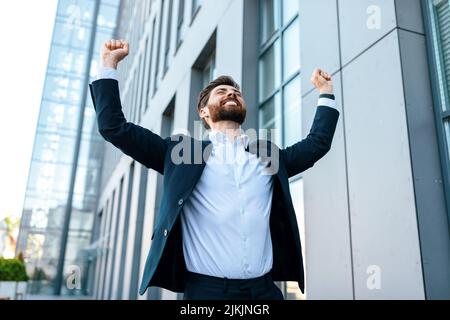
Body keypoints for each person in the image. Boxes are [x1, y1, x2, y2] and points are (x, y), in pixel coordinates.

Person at [89, 39, 340, 300]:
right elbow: (114, 128)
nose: (231, 93)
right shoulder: (182, 154)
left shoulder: (268, 157)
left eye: (236, 92)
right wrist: (109, 65)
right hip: (207, 294)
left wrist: (326, 92)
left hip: (265, 292)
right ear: (203, 112)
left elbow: (317, 144)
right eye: (221, 92)